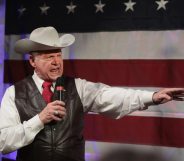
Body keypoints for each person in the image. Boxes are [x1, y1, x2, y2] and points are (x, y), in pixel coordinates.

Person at [0, 26, 184, 161]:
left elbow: (113, 96)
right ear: (32, 61)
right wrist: (39, 119)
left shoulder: (79, 87)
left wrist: (152, 97)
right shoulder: (14, 93)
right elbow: (4, 142)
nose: (56, 62)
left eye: (59, 55)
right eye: (49, 57)